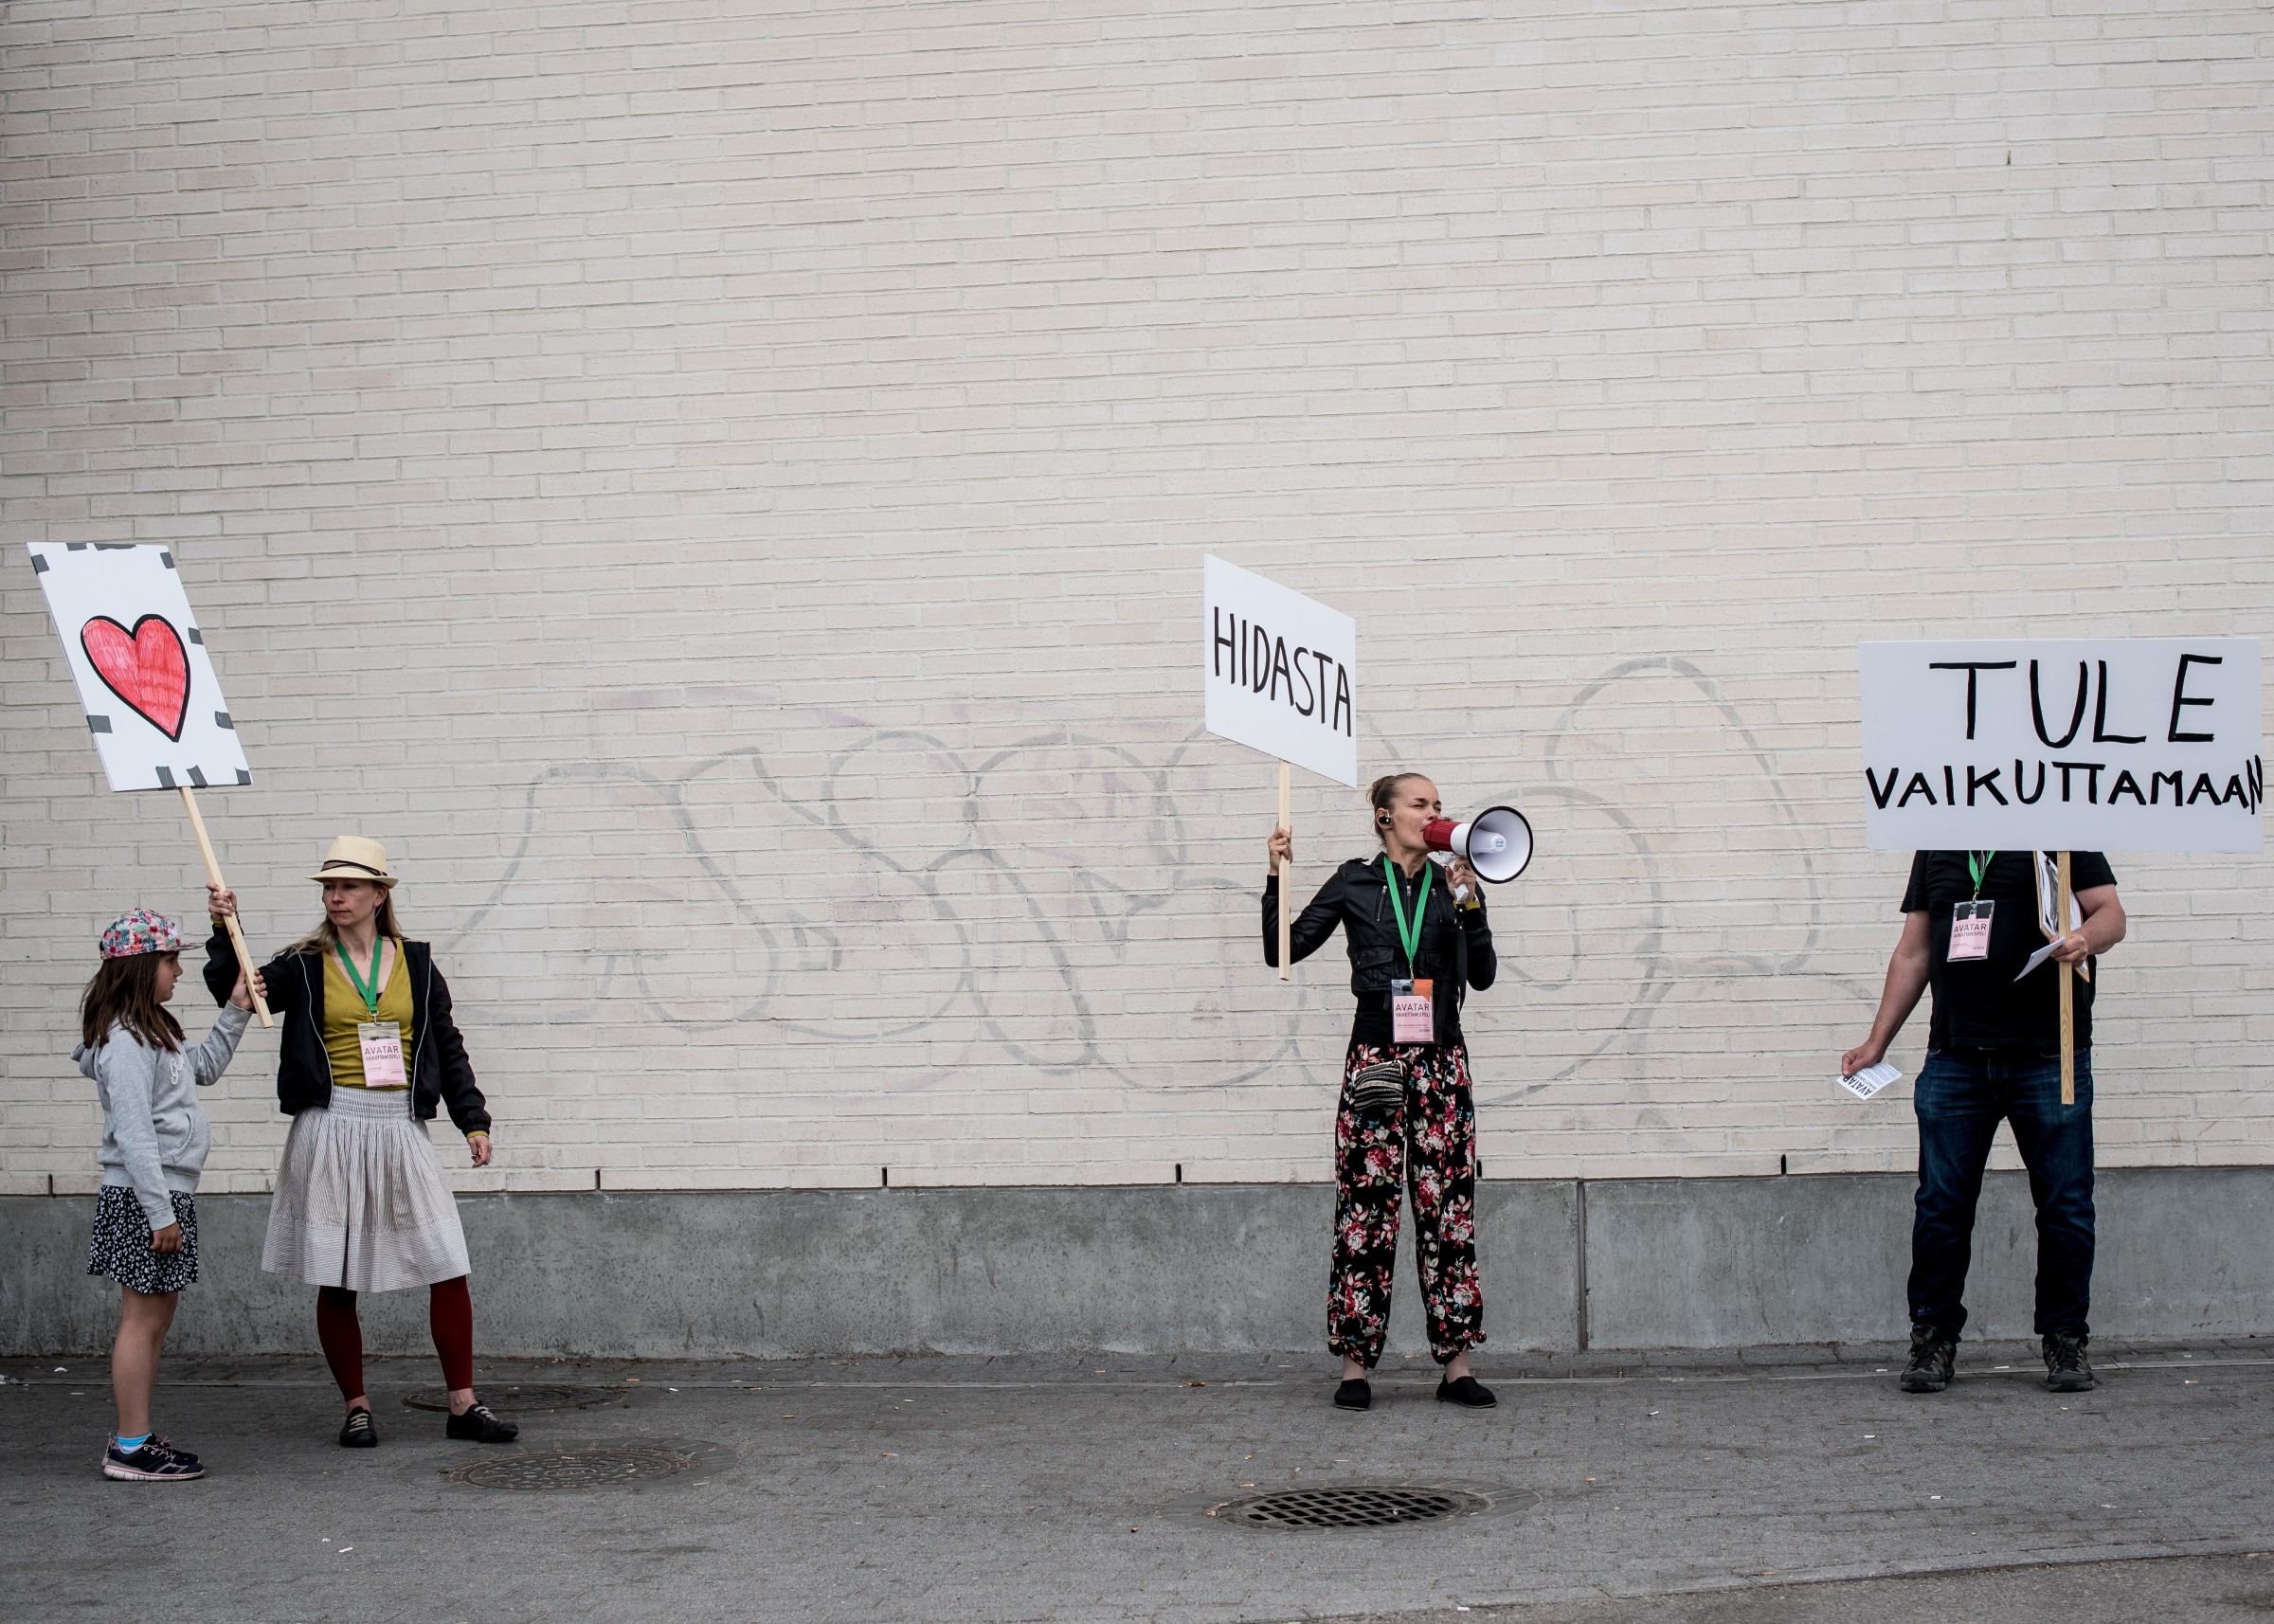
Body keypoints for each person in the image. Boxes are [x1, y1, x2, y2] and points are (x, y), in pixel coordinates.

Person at [204, 836, 518, 1447]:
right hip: (331, 1124)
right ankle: (356, 1407)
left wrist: (472, 1120)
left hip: (400, 1122)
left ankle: (462, 1404)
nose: (336, 896)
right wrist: (225, 928)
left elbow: (447, 1048)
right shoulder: (302, 963)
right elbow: (237, 990)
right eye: (329, 886)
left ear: (380, 894)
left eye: (349, 886)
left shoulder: (417, 963)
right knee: (338, 1274)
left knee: (447, 1262)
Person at [1841, 849, 2125, 1396]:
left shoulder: (2058, 835)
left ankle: (2066, 1339)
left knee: (2065, 1204)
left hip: (2050, 1056)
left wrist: (2085, 939)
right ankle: (1933, 1340)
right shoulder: (1936, 848)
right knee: (1941, 1206)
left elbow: (2111, 913)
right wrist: (1878, 1041)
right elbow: (1914, 952)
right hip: (1956, 1058)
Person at [1264, 772, 1500, 1411]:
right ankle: (1354, 1365)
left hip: (1442, 1061)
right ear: (1385, 818)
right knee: (1366, 1209)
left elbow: (1482, 976)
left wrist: (1471, 904)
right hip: (1377, 1058)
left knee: (1447, 1210)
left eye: (1439, 805)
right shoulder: (1354, 881)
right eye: (1421, 804)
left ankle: (1456, 1366)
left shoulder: (1454, 883)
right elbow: (1279, 949)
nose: (1435, 813)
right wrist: (1275, 876)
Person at [75, 907, 263, 1481]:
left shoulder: (153, 1031)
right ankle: (130, 1446)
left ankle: (138, 1435)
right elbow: (134, 1134)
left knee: (156, 1318)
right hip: (143, 1197)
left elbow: (202, 1069)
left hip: (159, 1195)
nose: (178, 971)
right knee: (142, 1319)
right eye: (170, 960)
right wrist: (159, 1211)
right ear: (139, 967)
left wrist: (235, 1007)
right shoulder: (126, 1043)